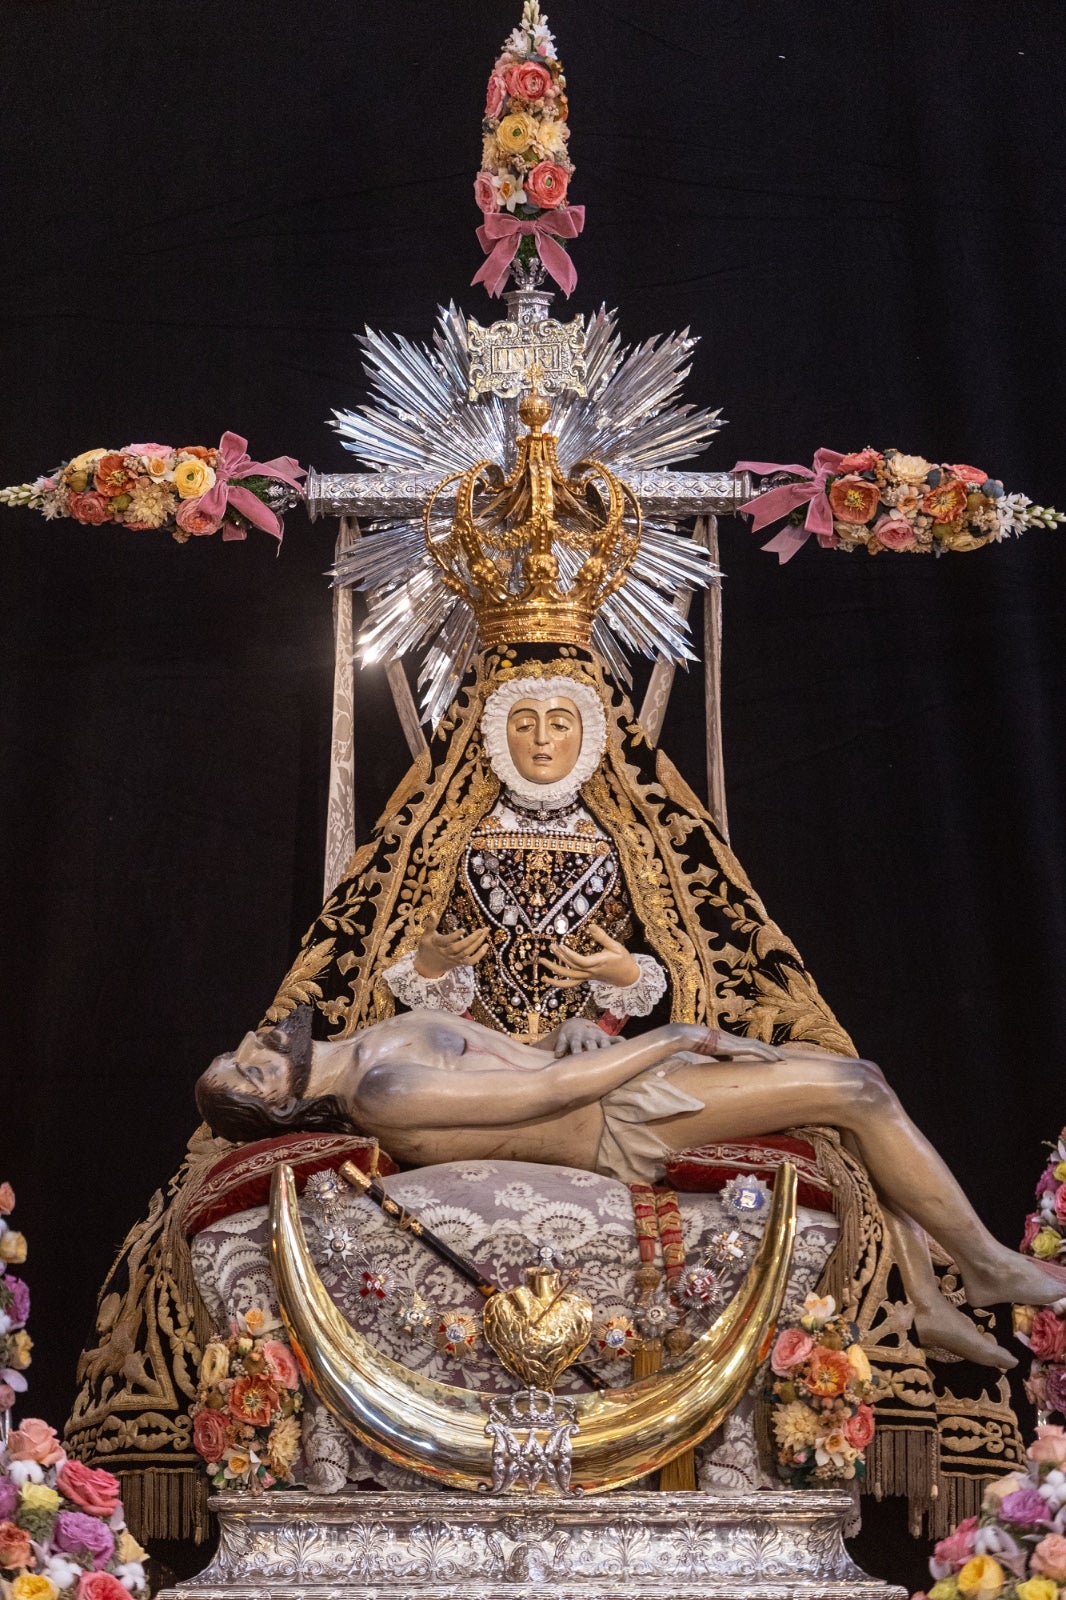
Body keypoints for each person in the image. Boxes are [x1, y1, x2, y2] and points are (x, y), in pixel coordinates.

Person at [196, 1002, 1066, 1371]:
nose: (254, 1043)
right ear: (282, 1106)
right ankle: (986, 1266)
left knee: (851, 1082)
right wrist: (681, 1037)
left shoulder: (376, 1039)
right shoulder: (383, 1091)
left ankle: (932, 1299)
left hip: (614, 1081)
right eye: (250, 1070)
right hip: (620, 1119)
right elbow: (548, 1095)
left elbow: (530, 1059)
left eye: (240, 1051)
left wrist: (574, 1028)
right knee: (856, 1093)